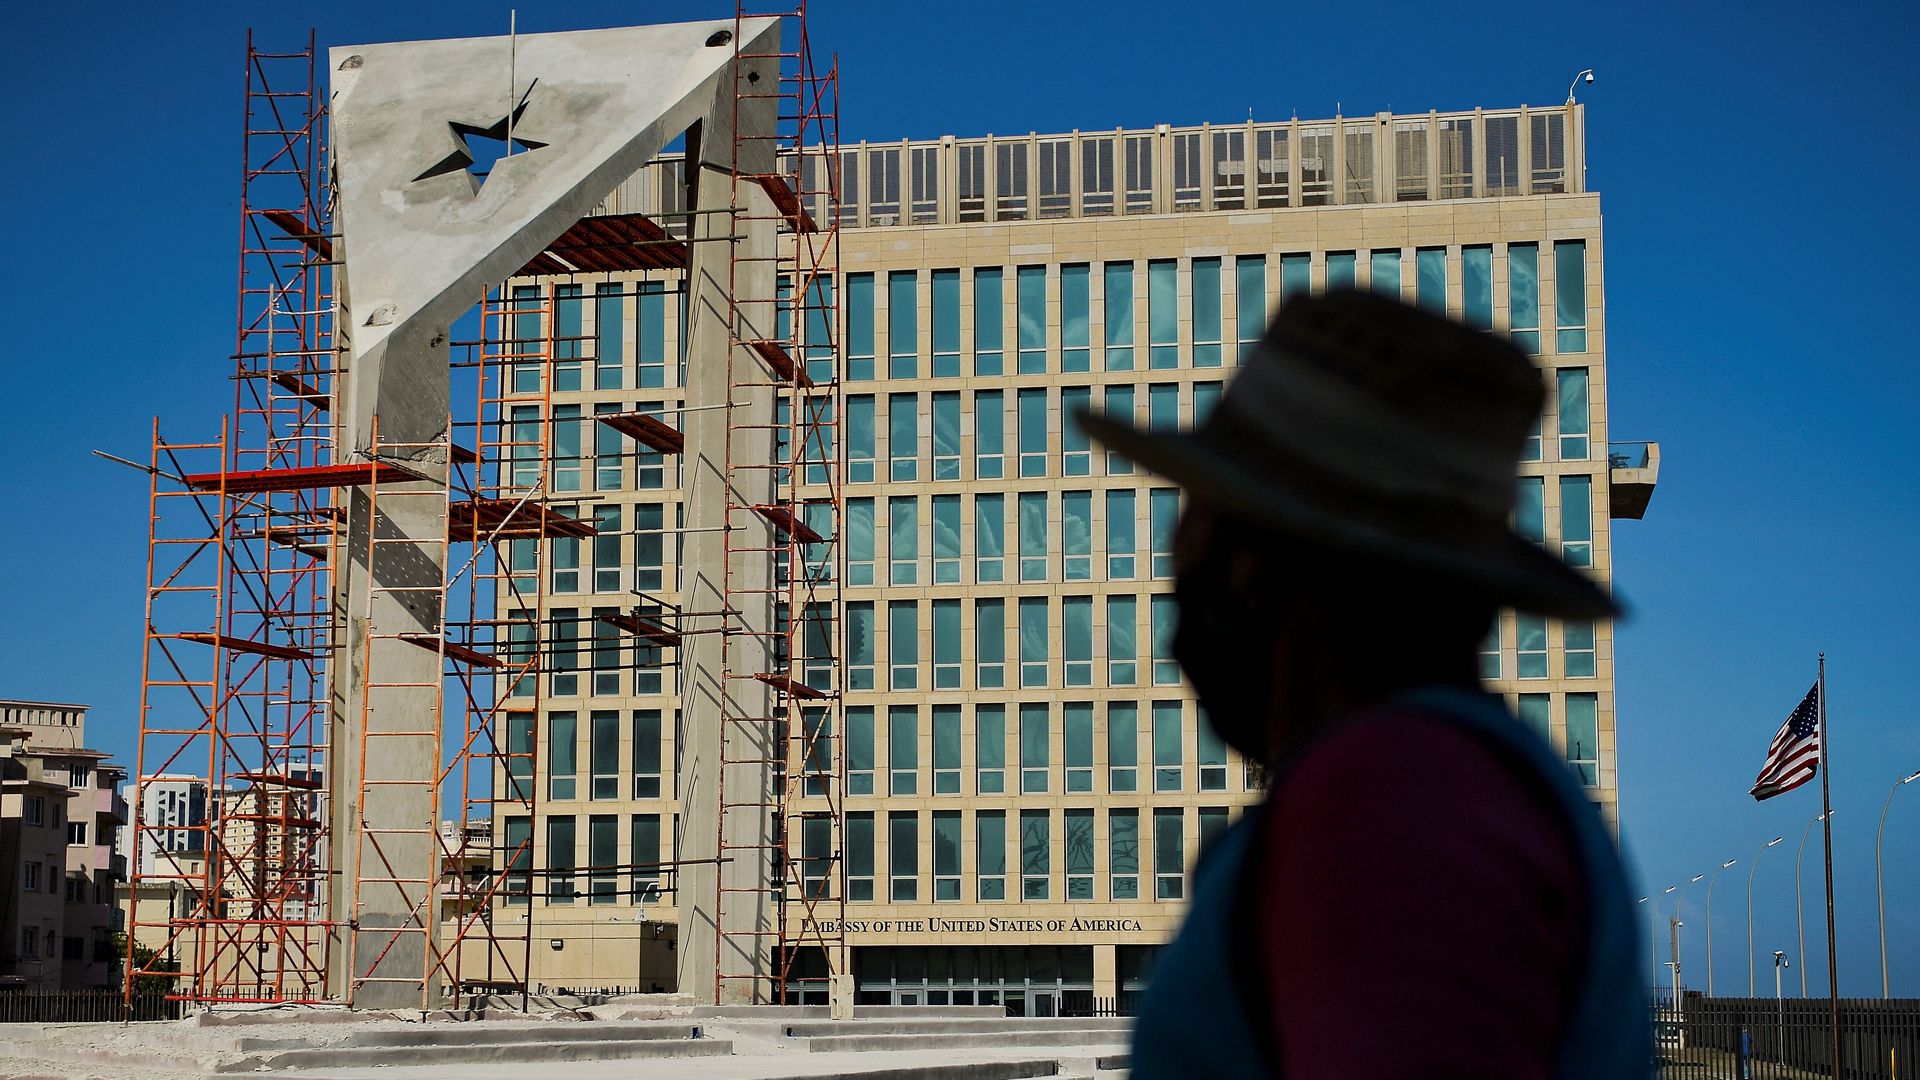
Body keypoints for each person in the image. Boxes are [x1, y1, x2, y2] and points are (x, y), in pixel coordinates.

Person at [1077, 290, 1649, 1078]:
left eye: (1198, 511)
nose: (1175, 554)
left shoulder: (1394, 795)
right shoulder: (1455, 779)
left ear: (1254, 561)